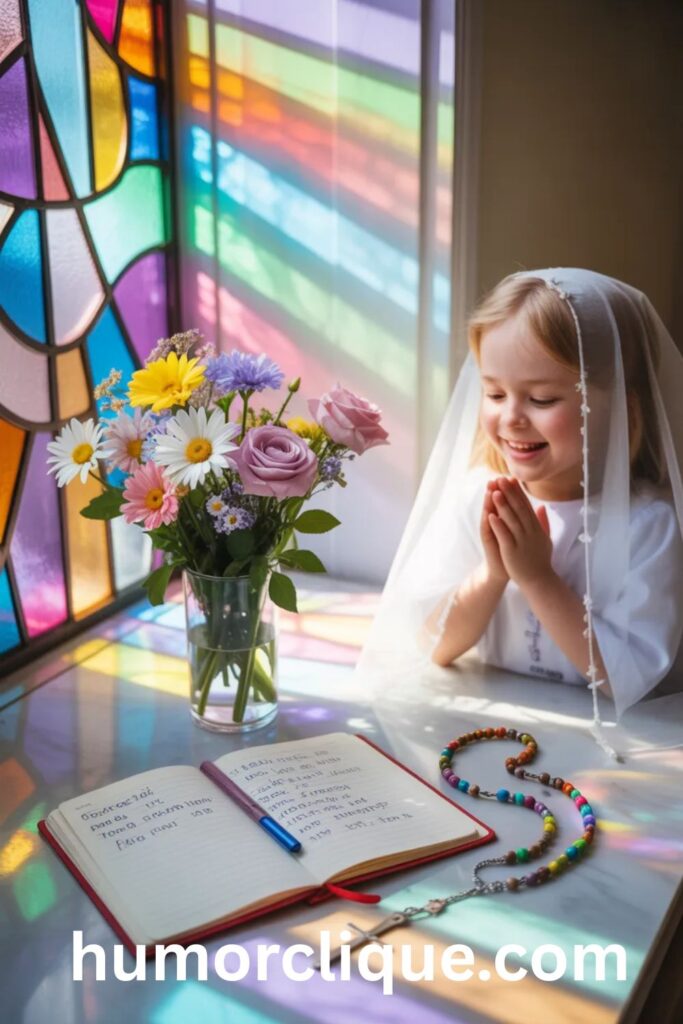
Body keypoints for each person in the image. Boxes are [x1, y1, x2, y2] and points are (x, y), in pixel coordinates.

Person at [358, 269, 683, 742]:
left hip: (605, 742)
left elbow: (626, 679)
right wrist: (493, 574)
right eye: (493, 393)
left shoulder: (646, 526)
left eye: (541, 398)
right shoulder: (478, 498)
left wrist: (537, 577)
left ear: (621, 409)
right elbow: (436, 646)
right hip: (480, 728)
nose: (510, 417)